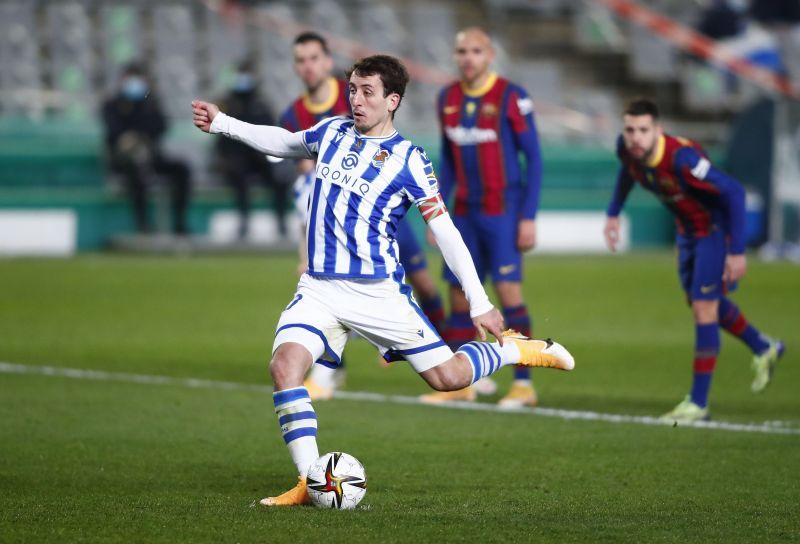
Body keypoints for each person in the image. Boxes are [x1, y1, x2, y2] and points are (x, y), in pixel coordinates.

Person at [191, 54, 574, 506]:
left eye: (367, 92)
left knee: (447, 377)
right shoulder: (332, 132)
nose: (356, 99)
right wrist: (223, 123)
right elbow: (285, 141)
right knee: (284, 368)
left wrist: (478, 302)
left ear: (392, 101)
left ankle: (516, 349)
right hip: (319, 288)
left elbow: (445, 232)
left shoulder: (410, 160)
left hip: (378, 294)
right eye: (353, 89)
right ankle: (309, 481)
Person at [604, 98, 785, 424]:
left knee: (704, 308)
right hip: (687, 231)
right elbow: (627, 174)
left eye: (643, 130)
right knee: (705, 302)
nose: (635, 137)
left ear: (657, 130)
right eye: (630, 130)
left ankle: (698, 403)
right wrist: (613, 213)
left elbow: (734, 192)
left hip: (714, 230)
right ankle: (764, 346)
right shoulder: (627, 150)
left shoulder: (681, 157)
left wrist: (737, 251)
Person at [285, 32, 446, 400]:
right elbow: (305, 190)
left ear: (326, 61)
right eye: (300, 60)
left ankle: (438, 348)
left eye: (313, 58)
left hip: (382, 221)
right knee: (332, 300)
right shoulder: (294, 114)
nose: (307, 66)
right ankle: (330, 372)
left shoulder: (363, 108)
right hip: (335, 224)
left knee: (423, 285)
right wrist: (303, 248)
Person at [422, 27, 544, 408]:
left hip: (502, 213)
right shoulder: (448, 98)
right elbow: (448, 161)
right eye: (461, 51)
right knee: (459, 298)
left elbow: (534, 159)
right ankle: (463, 383)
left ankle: (523, 384)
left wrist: (527, 216)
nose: (467, 58)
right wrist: (435, 216)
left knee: (509, 294)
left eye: (475, 51)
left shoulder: (511, 96)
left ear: (490, 54)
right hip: (463, 215)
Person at [102, 62, 191, 235]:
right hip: (124, 160)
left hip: (152, 155)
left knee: (182, 169)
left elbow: (161, 126)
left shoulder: (151, 103)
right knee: (137, 171)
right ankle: (143, 225)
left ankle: (180, 222)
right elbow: (114, 132)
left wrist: (139, 133)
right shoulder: (112, 104)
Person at [215, 61, 287, 240]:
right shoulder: (227, 104)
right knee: (239, 179)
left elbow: (272, 130)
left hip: (259, 157)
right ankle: (243, 222)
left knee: (280, 180)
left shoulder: (260, 103)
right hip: (236, 158)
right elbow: (219, 136)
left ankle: (281, 223)